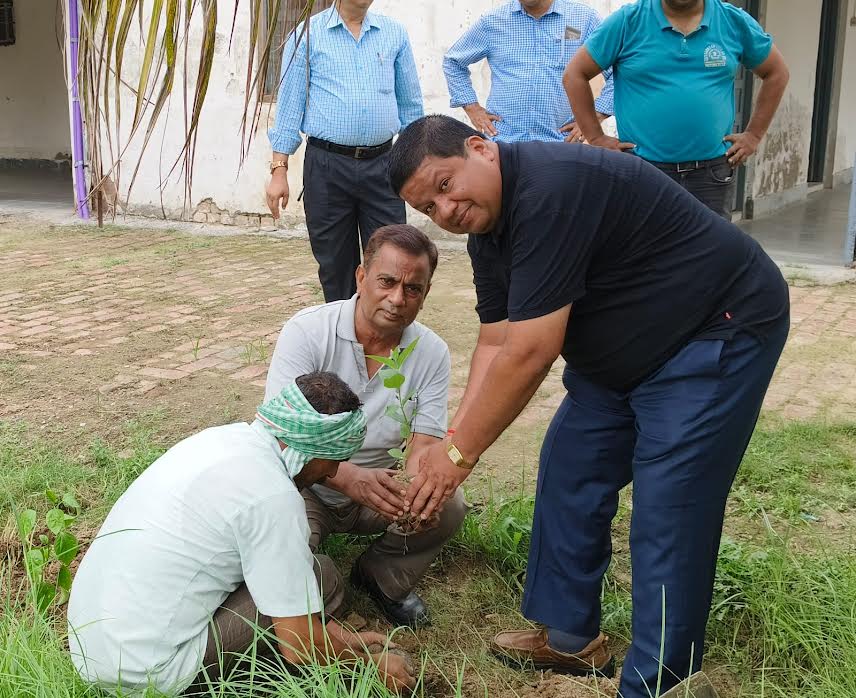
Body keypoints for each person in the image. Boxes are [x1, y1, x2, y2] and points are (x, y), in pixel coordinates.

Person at [386, 115, 790, 698]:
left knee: (669, 506)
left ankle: (661, 681)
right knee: (571, 465)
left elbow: (531, 351)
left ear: (482, 148)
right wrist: (451, 439)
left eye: (445, 186)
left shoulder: (552, 188)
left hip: (716, 327)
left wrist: (457, 456)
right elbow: (497, 340)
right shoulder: (486, 235)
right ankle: (571, 638)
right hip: (626, 351)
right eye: (428, 207)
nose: (444, 212)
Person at [67, 372, 415, 695]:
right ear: (314, 450)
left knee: (308, 574)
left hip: (88, 645)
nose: (335, 471)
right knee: (321, 579)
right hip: (142, 675)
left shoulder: (222, 439)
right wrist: (370, 665)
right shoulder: (274, 497)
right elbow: (299, 646)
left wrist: (336, 636)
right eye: (335, 459)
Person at [265, 224, 464, 630]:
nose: (397, 299)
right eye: (387, 282)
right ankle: (313, 583)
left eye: (414, 289)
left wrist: (412, 489)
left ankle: (381, 576)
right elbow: (281, 432)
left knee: (446, 504)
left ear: (425, 295)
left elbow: (425, 440)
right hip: (306, 484)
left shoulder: (431, 352)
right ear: (361, 277)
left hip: (381, 490)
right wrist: (349, 476)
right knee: (276, 559)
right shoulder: (307, 331)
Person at [563, 0, 789, 219]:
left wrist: (754, 135)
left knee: (709, 255)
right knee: (643, 255)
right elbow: (575, 75)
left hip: (711, 177)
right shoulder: (628, 21)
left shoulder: (732, 21)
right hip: (643, 171)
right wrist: (595, 137)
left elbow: (777, 72)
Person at [265, 0, 424, 301]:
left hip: (383, 166)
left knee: (392, 259)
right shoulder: (307, 35)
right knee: (335, 265)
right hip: (326, 169)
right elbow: (289, 106)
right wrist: (279, 170)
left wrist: (418, 164)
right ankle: (342, 339)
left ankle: (385, 341)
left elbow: (411, 107)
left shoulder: (394, 34)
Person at [443, 0, 614, 144]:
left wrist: (595, 116)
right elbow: (453, 61)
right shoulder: (492, 22)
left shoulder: (584, 19)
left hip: (560, 144)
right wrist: (473, 108)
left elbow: (618, 71)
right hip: (504, 143)